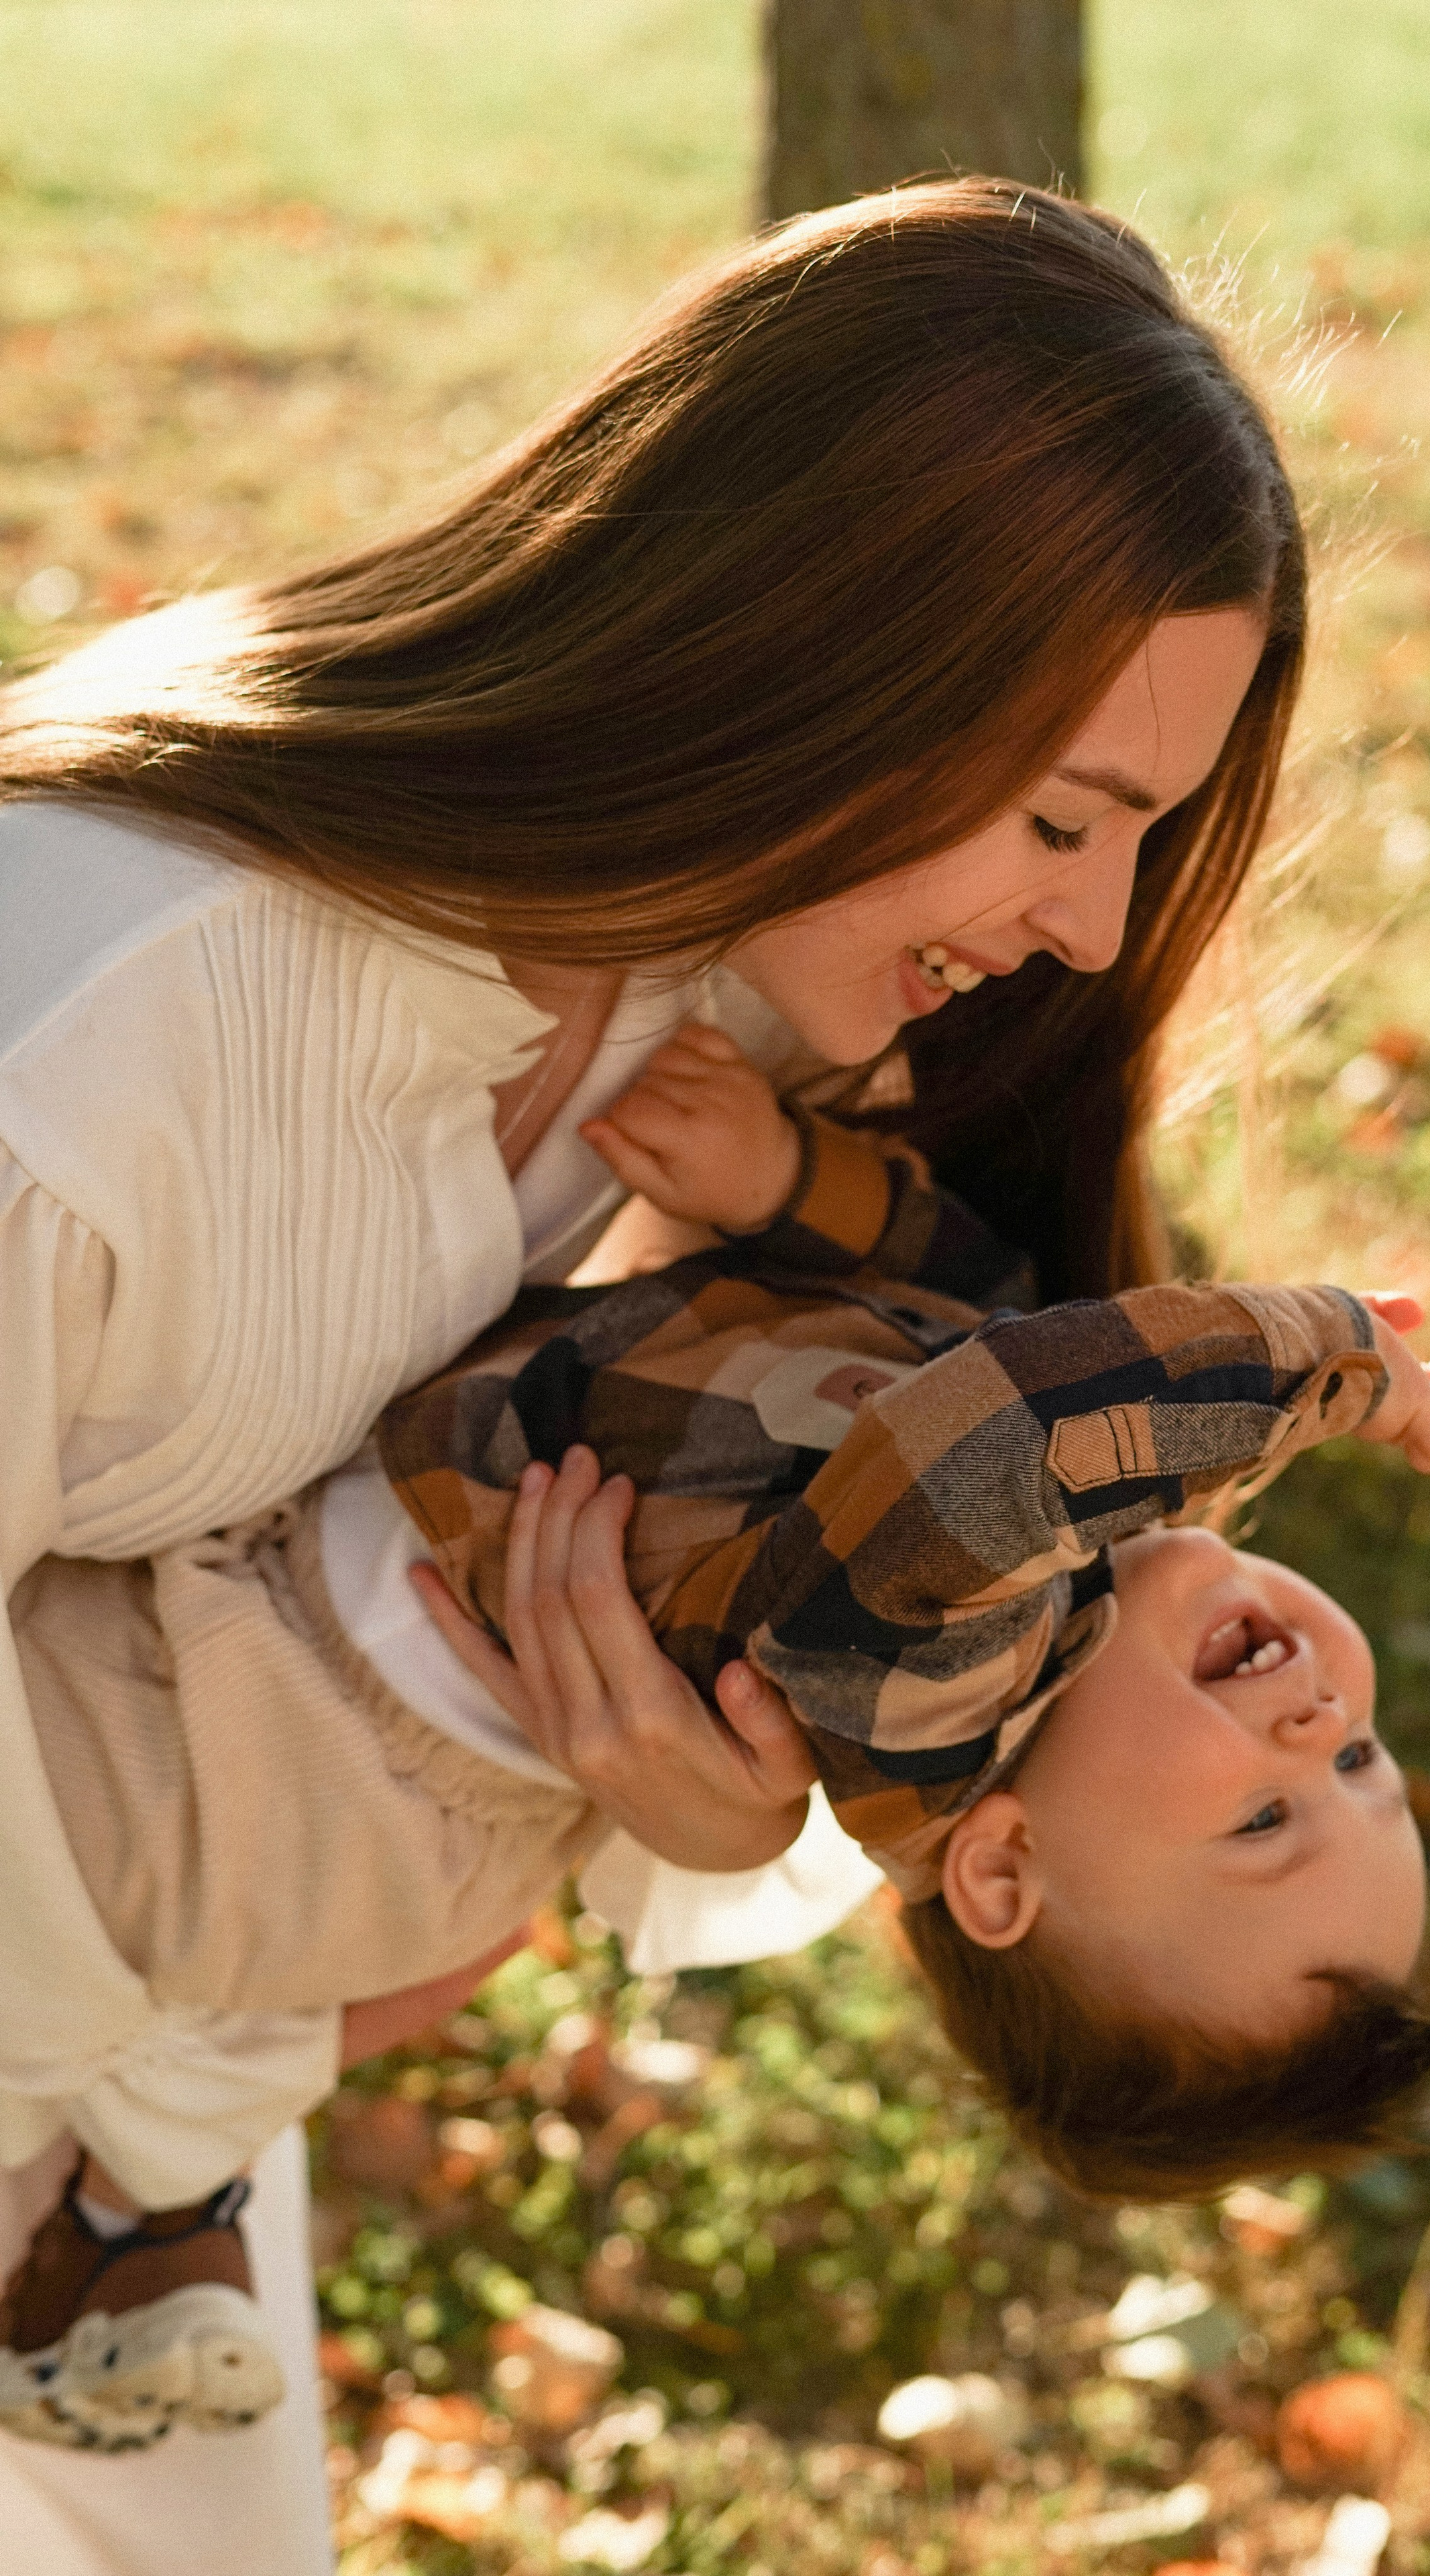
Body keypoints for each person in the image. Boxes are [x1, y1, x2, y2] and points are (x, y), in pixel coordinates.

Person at [0, 174, 1315, 2565]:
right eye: (1061, 820)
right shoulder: (92, 1043)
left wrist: (695, 1808)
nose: (1088, 931)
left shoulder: (690, 1019)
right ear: (810, 654)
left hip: (122, 2171)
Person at [1, 1023, 1430, 2445]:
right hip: (349, 1664)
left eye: (1261, 1822)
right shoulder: (1064, 1567)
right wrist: (796, 1181)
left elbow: (992, 1433)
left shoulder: (937, 1696)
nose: (1322, 1721)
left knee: (49, 1893)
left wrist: (1318, 1358)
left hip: (282, 1762)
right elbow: (984, 1296)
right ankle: (153, 2171)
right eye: (1357, 1771)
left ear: (1001, 1875)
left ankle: (130, 2185)